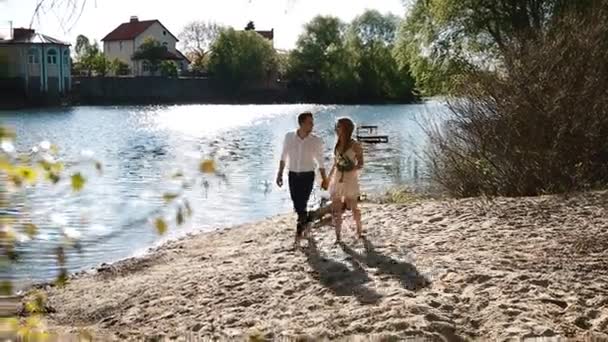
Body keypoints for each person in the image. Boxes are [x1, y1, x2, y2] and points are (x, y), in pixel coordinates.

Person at [276, 112, 328, 247]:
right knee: (297, 204)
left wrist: (324, 178)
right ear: (301, 123)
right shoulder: (289, 137)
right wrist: (280, 173)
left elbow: (321, 161)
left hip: (308, 175)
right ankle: (308, 223)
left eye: (312, 122)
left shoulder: (315, 140)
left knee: (302, 203)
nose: (312, 125)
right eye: (309, 122)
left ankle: (298, 234)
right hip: (292, 175)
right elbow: (283, 156)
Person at [328, 117, 364, 243]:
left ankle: (359, 230)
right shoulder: (337, 144)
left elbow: (361, 163)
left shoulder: (355, 145)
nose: (336, 129)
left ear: (345, 129)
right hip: (337, 177)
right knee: (336, 207)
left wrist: (350, 167)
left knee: (353, 206)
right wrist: (328, 178)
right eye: (336, 126)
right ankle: (338, 236)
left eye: (339, 126)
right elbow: (334, 163)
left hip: (350, 178)